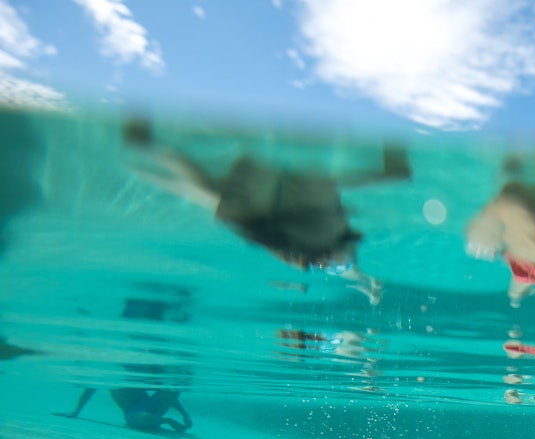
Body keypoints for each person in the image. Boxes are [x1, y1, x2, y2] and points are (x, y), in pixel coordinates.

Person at [122, 120, 412, 305]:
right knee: (205, 190)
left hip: (282, 214)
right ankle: (146, 150)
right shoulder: (311, 240)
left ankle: (146, 151)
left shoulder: (327, 235)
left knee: (206, 188)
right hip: (264, 216)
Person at [58, 387, 193, 432]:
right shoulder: (110, 372)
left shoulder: (143, 367)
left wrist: (185, 413)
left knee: (173, 389)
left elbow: (169, 395)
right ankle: (164, 420)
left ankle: (158, 420)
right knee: (143, 418)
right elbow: (90, 388)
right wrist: (76, 411)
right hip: (134, 412)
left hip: (151, 404)